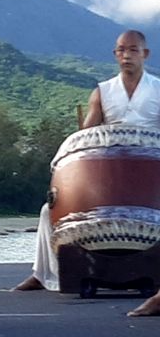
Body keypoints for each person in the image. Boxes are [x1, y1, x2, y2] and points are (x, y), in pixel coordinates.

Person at [13, 30, 160, 316]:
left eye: (132, 49)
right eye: (120, 50)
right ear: (115, 54)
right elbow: (87, 134)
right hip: (107, 177)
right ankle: (43, 274)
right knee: (48, 211)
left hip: (149, 177)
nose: (126, 55)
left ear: (146, 54)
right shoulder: (103, 91)